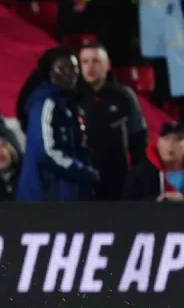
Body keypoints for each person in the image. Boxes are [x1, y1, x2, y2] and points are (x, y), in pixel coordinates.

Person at [17, 47, 99, 201]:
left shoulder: (69, 103)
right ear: (51, 72)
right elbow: (46, 152)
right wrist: (85, 172)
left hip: (66, 196)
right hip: (46, 197)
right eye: (64, 68)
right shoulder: (44, 103)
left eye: (75, 68)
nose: (72, 73)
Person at [74, 42, 147, 200]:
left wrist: (138, 180)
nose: (90, 66)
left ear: (107, 65)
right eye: (84, 61)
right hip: (81, 180)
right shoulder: (72, 98)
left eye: (96, 61)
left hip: (118, 180)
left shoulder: (124, 96)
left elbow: (138, 140)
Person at [123, 122, 184, 201]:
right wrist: (156, 201)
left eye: (178, 139)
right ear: (158, 143)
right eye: (166, 138)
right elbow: (127, 205)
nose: (170, 144)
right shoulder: (139, 174)